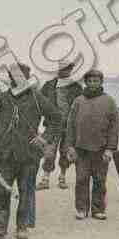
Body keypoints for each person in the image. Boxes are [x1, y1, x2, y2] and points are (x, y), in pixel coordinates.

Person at [0, 63, 61, 239]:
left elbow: (56, 118)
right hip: (5, 155)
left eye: (21, 76)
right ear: (10, 78)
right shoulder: (1, 98)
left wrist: (44, 137)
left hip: (29, 155)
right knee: (0, 192)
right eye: (14, 76)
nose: (17, 79)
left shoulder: (36, 98)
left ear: (27, 78)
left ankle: (22, 226)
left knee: (26, 192)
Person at [66, 69, 119, 220]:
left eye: (96, 81)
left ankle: (98, 209)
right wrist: (70, 146)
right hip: (81, 149)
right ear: (85, 82)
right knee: (81, 179)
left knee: (99, 180)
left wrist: (110, 149)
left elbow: (114, 127)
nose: (93, 84)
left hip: (101, 149)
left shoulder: (109, 101)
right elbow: (70, 125)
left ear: (101, 82)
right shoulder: (78, 101)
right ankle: (82, 208)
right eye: (90, 81)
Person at [37, 61, 83, 190]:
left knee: (65, 151)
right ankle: (45, 178)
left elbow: (81, 106)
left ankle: (62, 178)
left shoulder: (76, 87)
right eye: (62, 69)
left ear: (71, 70)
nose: (64, 71)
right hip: (52, 124)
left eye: (67, 69)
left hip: (69, 125)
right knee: (49, 151)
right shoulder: (49, 85)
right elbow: (40, 101)